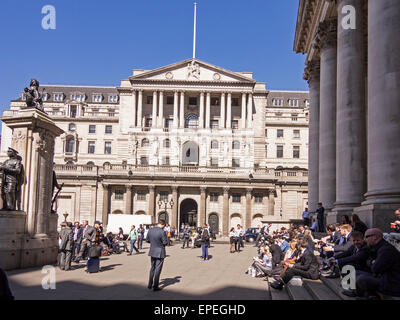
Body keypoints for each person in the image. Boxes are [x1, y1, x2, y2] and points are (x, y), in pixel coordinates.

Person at [355, 228, 400, 298]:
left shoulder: (386, 249)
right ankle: (363, 294)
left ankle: (364, 296)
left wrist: (373, 263)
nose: (364, 240)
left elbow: (375, 269)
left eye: (366, 237)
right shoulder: (377, 247)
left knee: (361, 279)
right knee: (354, 272)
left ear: (375, 237)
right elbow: (370, 262)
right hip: (382, 277)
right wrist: (372, 262)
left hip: (391, 283)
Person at [147, 220, 168, 291]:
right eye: (164, 226)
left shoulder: (151, 230)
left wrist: (153, 243)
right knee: (158, 269)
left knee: (152, 267)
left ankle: (150, 284)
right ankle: (155, 286)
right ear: (163, 225)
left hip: (152, 251)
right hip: (160, 252)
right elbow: (165, 242)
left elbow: (147, 240)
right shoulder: (162, 232)